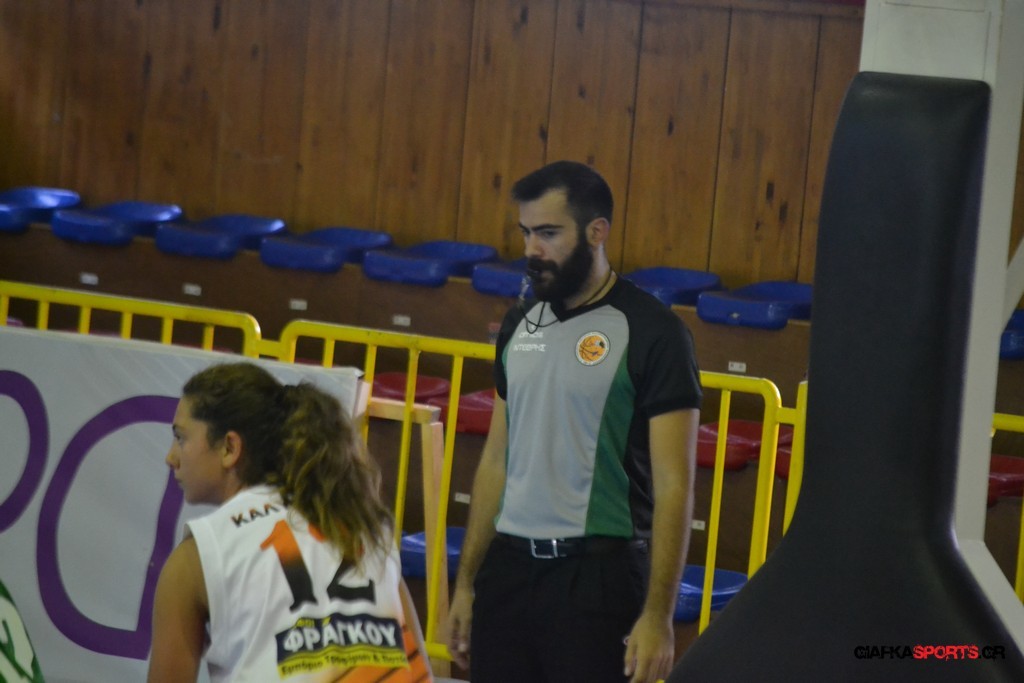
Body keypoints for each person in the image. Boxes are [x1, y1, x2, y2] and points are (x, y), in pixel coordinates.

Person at [447, 161, 702, 683]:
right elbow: (496, 460)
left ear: (596, 231)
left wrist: (658, 615)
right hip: (508, 574)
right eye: (525, 233)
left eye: (548, 233)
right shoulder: (519, 323)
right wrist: (467, 585)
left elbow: (675, 484)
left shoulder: (654, 332)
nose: (532, 249)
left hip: (599, 581)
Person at [148, 361, 432, 683]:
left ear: (230, 447)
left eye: (180, 438)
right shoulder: (362, 525)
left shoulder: (200, 554)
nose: (171, 457)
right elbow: (420, 670)